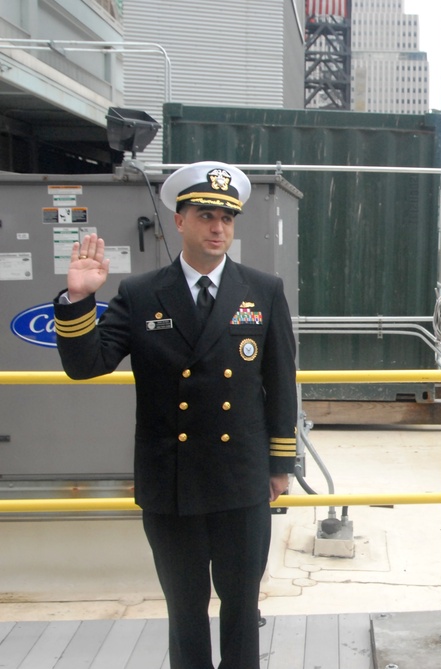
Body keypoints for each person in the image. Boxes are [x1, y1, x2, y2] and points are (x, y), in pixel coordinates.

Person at [53, 161, 298, 669]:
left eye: (227, 219)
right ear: (178, 221)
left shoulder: (263, 290)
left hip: (242, 478)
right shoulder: (142, 294)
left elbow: (279, 382)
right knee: (185, 609)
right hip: (173, 481)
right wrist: (78, 299)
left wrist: (280, 464)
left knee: (241, 606)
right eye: (206, 216)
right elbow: (87, 365)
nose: (218, 228)